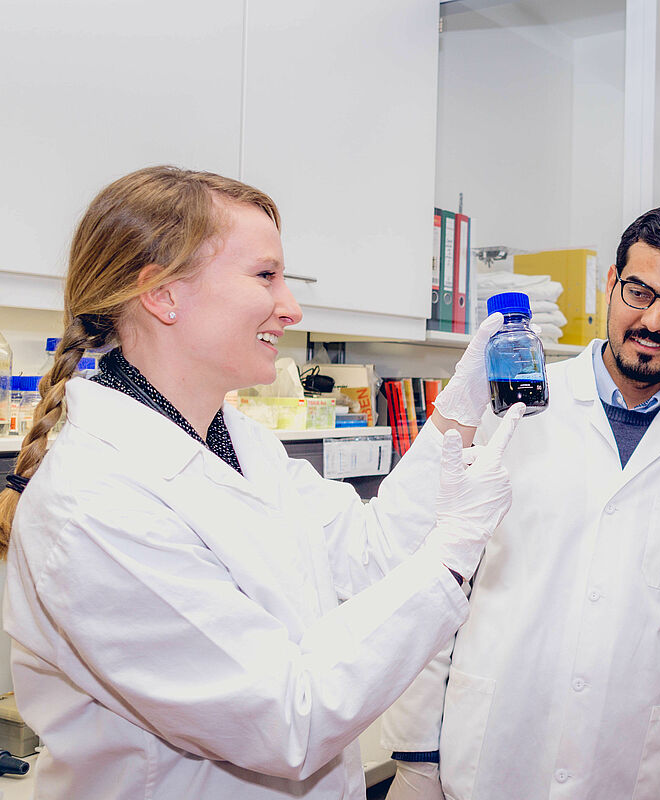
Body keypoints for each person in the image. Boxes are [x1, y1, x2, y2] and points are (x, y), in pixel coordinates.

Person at [0, 165, 526, 799]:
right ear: (163, 294)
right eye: (265, 275)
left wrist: (456, 413)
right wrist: (456, 550)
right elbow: (287, 721)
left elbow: (371, 554)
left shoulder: (239, 442)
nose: (291, 307)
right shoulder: (94, 503)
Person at [381, 207, 660, 800]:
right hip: (488, 755)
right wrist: (416, 753)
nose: (652, 320)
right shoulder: (508, 407)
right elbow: (434, 579)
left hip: (625, 767)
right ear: (611, 285)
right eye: (639, 291)